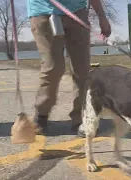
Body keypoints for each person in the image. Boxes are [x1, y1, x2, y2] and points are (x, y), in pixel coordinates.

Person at [27, 0, 111, 135]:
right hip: (43, 11)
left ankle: (83, 117)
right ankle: (41, 114)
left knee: (82, 69)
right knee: (53, 67)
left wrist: (102, 17)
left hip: (77, 12)